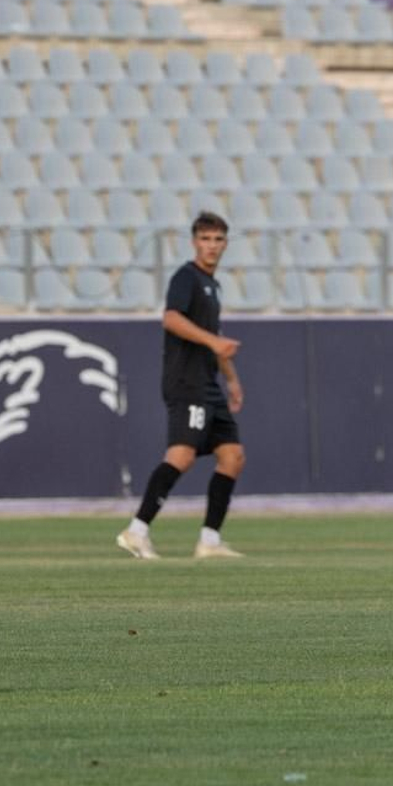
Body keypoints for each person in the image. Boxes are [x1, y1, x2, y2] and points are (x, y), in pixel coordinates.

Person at [117, 211, 246, 561]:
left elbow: (214, 340)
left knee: (232, 457)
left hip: (209, 385)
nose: (212, 246)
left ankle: (209, 541)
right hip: (186, 383)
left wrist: (231, 378)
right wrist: (213, 343)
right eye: (205, 239)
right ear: (194, 242)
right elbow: (171, 318)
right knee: (182, 455)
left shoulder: (214, 286)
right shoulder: (186, 278)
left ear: (225, 244)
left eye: (218, 239)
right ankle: (136, 531)